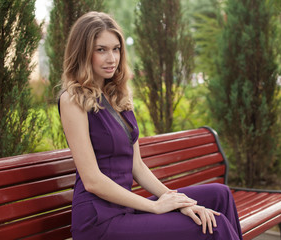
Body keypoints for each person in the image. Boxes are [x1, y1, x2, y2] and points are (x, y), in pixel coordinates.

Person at [59, 11, 243, 240]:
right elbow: (93, 181)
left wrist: (176, 201)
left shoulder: (119, 96)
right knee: (214, 226)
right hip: (99, 221)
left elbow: (137, 165)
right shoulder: (73, 99)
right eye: (101, 50)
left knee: (220, 195)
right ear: (83, 52)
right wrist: (156, 207)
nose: (111, 58)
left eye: (116, 49)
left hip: (125, 207)